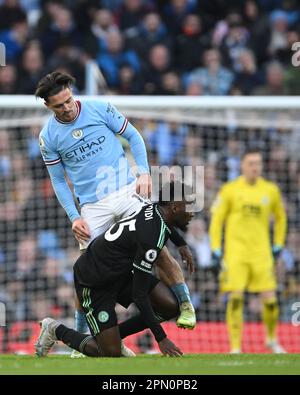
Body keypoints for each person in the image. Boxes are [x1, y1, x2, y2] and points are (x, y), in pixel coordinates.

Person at [35, 72, 196, 356]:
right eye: (59, 105)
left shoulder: (99, 108)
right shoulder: (48, 136)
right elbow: (59, 180)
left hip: (124, 190)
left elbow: (132, 135)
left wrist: (144, 172)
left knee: (156, 246)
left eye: (69, 100)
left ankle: (184, 304)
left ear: (72, 93)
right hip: (92, 207)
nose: (67, 107)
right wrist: (74, 216)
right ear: (49, 106)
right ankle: (83, 334)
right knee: (88, 268)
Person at [35, 181, 194, 357]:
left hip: (119, 272)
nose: (192, 213)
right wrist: (161, 338)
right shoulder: (151, 240)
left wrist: (181, 244)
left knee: (170, 306)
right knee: (109, 352)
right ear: (175, 208)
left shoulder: (154, 209)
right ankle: (55, 329)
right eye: (189, 208)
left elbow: (167, 225)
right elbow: (139, 296)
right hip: (94, 280)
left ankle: (114, 336)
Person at [209, 148, 287, 354]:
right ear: (242, 165)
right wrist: (216, 248)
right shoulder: (229, 190)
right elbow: (216, 221)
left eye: (258, 163)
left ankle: (271, 339)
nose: (255, 167)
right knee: (235, 298)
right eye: (251, 163)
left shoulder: (270, 190)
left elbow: (281, 218)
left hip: (262, 254)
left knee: (270, 301)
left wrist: (278, 243)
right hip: (236, 254)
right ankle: (235, 346)